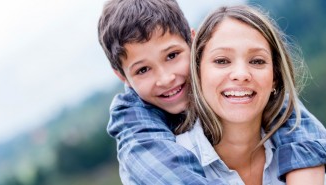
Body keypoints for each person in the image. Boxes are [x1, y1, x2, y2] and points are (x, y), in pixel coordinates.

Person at [98, 0, 326, 184]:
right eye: (143, 70)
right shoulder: (137, 128)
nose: (166, 78)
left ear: (194, 44)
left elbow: (294, 120)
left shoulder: (272, 107)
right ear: (123, 78)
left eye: (172, 56)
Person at [176, 5, 326, 185]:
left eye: (257, 61)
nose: (241, 74)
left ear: (275, 78)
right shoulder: (173, 159)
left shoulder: (312, 161)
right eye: (222, 61)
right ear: (198, 72)